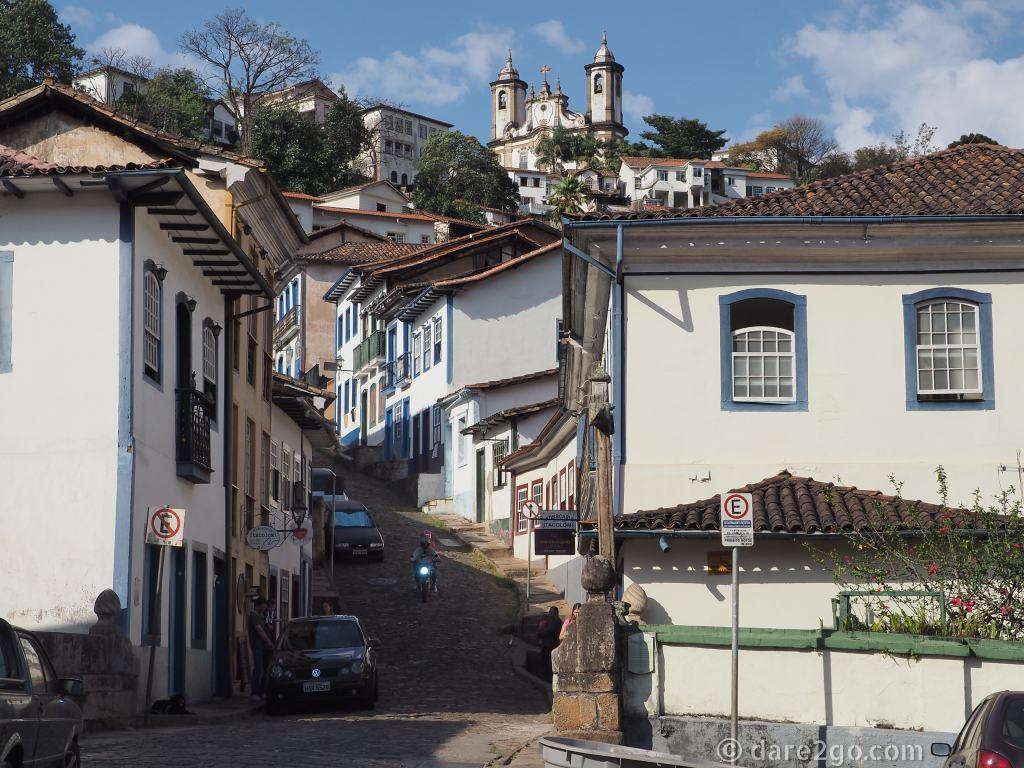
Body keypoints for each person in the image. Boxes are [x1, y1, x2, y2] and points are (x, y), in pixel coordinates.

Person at [247, 597, 274, 699]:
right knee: (258, 669)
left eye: (265, 608)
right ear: (258, 606)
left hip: (264, 647)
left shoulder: (262, 616)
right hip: (257, 646)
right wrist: (269, 641)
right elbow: (259, 630)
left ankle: (262, 691)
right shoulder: (253, 616)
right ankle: (254, 692)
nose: (264, 609)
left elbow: (268, 628)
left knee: (265, 669)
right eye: (262, 607)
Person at [537, 606, 562, 681]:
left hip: (552, 645)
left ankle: (548, 679)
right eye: (550, 612)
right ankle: (544, 677)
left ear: (556, 613)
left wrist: (540, 634)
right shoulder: (550, 620)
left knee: (549, 662)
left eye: (552, 612)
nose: (550, 613)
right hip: (546, 644)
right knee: (544, 661)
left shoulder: (556, 621)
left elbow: (549, 631)